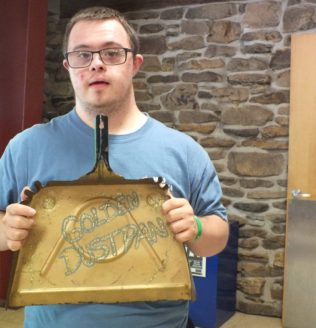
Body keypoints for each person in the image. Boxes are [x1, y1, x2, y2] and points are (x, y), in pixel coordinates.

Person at [0, 6, 228, 328]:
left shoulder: (184, 151)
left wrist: (197, 228)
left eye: (111, 52)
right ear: (67, 66)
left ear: (134, 64)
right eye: (82, 54)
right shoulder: (26, 147)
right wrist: (6, 230)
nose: (96, 63)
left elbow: (217, 233)